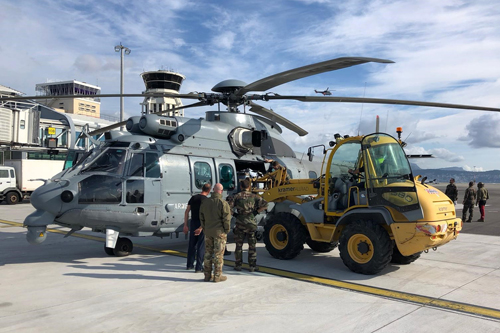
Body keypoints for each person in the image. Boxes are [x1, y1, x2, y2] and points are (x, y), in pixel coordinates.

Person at [229, 178, 268, 272]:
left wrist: (235, 214)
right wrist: (256, 212)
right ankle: (252, 266)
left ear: (241, 186)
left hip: (240, 223)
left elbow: (228, 208)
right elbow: (266, 205)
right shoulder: (254, 196)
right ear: (249, 187)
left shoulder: (236, 196)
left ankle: (238, 265)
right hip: (251, 223)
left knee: (239, 246)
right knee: (252, 246)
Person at [199, 183, 232, 283]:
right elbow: (226, 219)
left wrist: (205, 228)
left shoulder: (205, 202)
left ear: (213, 189)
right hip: (219, 232)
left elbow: (201, 217)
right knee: (218, 254)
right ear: (221, 191)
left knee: (208, 253)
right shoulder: (223, 203)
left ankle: (207, 275)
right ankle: (217, 276)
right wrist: (226, 230)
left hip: (208, 231)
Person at [183, 183, 211, 272]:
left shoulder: (193, 198)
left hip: (193, 222)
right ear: (209, 191)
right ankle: (198, 267)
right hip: (201, 224)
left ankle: (189, 265)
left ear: (202, 189)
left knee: (192, 245)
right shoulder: (207, 200)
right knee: (201, 246)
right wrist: (201, 227)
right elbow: (207, 216)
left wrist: (185, 225)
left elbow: (187, 211)